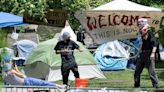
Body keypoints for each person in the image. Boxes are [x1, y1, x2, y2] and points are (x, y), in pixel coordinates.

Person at [134, 18, 159, 88]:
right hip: (142, 54)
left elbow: (155, 44)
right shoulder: (141, 32)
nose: (138, 25)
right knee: (137, 71)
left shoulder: (149, 32)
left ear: (143, 24)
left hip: (149, 54)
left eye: (139, 24)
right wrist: (139, 53)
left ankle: (156, 86)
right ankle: (136, 86)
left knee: (151, 72)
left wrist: (153, 53)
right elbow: (141, 44)